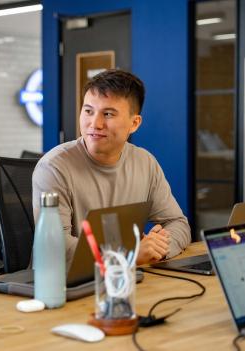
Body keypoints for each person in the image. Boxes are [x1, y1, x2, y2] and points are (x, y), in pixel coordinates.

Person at [32, 69, 191, 267]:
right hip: (63, 288)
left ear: (134, 123)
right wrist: (128, 255)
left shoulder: (145, 162)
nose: (95, 123)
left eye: (108, 114)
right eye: (88, 111)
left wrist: (158, 247)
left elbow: (178, 223)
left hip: (125, 282)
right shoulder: (54, 167)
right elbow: (55, 248)